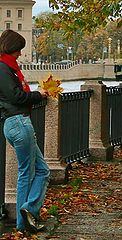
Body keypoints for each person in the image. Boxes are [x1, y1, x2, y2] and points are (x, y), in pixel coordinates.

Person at [0, 29, 50, 233]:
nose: (20, 54)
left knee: (42, 171)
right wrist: (38, 95)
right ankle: (28, 211)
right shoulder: (3, 69)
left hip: (14, 123)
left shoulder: (7, 68)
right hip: (18, 122)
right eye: (18, 50)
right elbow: (16, 97)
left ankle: (25, 221)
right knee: (27, 173)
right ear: (11, 48)